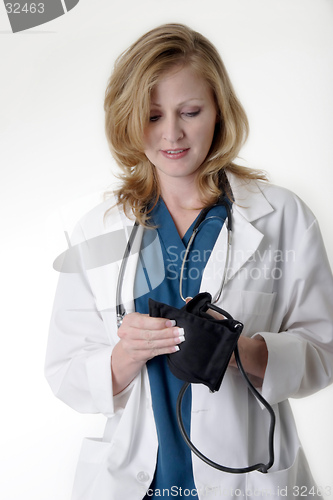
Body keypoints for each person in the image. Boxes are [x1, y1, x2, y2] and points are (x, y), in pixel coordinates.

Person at [45, 23, 333, 500]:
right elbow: (65, 372)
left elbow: (324, 351)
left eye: (190, 112)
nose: (172, 134)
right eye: (152, 115)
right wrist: (125, 355)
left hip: (248, 480)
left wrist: (245, 352)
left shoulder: (282, 216)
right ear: (127, 119)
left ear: (219, 111)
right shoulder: (96, 231)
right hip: (137, 483)